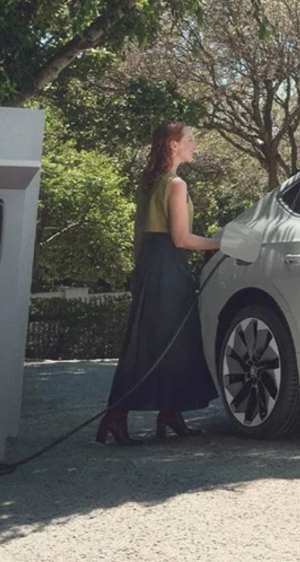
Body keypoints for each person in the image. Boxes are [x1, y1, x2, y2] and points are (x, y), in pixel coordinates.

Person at [95, 122, 222, 445]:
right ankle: (118, 415)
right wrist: (222, 243)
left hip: (151, 266)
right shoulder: (176, 184)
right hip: (169, 266)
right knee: (169, 340)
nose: (195, 145)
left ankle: (167, 413)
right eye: (190, 140)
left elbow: (139, 237)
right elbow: (181, 238)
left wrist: (142, 272)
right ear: (172, 145)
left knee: (148, 340)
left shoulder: (149, 183)